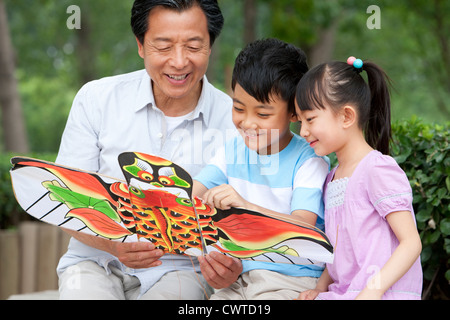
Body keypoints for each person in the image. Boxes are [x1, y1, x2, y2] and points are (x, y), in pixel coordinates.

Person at [56, 0, 235, 300]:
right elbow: (66, 201)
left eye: (193, 46)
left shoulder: (234, 121)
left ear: (210, 46)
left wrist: (232, 266)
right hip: (94, 259)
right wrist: (113, 245)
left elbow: (243, 219)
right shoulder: (96, 99)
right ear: (140, 45)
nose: (179, 62)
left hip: (182, 267)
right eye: (163, 46)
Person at [193, 38, 330, 299]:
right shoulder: (231, 151)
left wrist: (246, 207)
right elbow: (191, 195)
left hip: (289, 278)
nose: (248, 123)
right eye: (238, 108)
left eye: (263, 114)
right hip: (236, 276)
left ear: (294, 112)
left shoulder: (308, 160)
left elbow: (302, 226)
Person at [296, 57, 423, 300]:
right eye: (300, 121)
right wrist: (319, 289)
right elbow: (340, 250)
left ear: (346, 116)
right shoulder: (331, 177)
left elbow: (411, 243)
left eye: (310, 119)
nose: (303, 131)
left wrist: (371, 292)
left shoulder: (377, 169)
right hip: (345, 292)